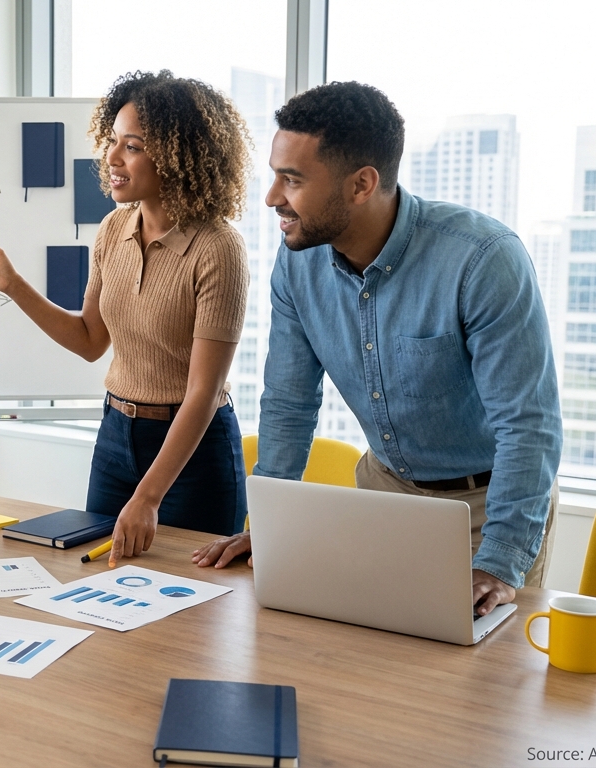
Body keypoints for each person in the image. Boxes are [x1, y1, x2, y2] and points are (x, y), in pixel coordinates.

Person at [192, 82, 561, 616]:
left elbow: (529, 425)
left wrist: (500, 561)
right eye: (275, 175)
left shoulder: (482, 260)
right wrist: (269, 526)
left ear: (362, 184)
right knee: (373, 669)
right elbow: (289, 403)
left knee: (486, 688)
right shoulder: (297, 264)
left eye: (292, 180)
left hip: (490, 504)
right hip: (385, 496)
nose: (272, 197)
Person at [0, 70, 253, 566]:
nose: (113, 159)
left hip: (192, 453)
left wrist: (148, 497)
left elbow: (202, 393)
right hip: (116, 437)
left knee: (195, 610)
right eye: (114, 142)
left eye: (133, 146)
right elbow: (88, 340)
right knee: (100, 586)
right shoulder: (113, 228)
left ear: (177, 155)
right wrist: (13, 285)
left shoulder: (218, 248)